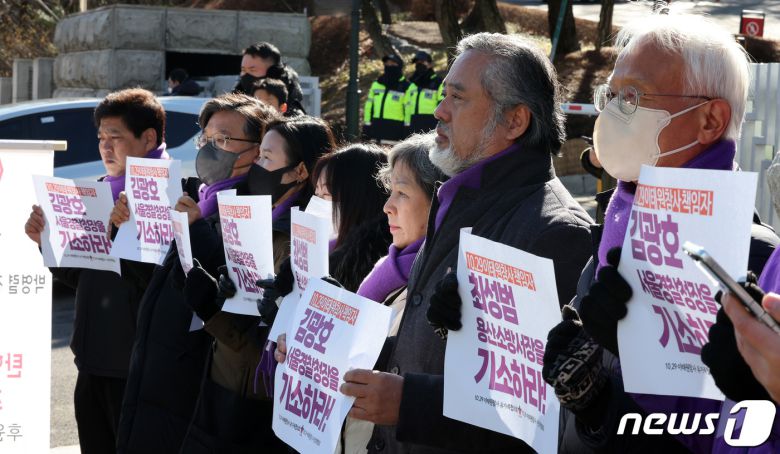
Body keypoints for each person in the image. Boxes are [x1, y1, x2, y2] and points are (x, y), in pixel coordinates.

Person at [316, 32, 593, 453]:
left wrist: (413, 402)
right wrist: (333, 352)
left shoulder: (556, 232)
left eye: (458, 98)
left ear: (514, 121)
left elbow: (539, 411)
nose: (439, 111)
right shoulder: (457, 197)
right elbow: (423, 345)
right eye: (444, 95)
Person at [540, 12, 780, 453]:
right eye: (610, 94)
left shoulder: (755, 263)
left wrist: (612, 398)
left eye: (633, 95)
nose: (611, 111)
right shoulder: (618, 224)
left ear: (709, 120)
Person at [116, 93, 278, 454]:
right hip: (154, 380)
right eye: (206, 139)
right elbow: (158, 286)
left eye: (223, 140)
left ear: (258, 150)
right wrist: (124, 234)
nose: (209, 149)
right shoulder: (196, 198)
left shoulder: (255, 218)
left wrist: (198, 229)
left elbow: (240, 300)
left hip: (193, 396)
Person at [176, 116, 336, 452]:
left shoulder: (300, 241)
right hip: (224, 382)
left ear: (299, 171)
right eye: (258, 155)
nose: (257, 166)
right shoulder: (258, 219)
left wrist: (213, 310)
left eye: (266, 157)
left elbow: (267, 342)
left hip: (253, 400)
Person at [23, 88, 166, 454]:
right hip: (91, 362)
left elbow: (162, 285)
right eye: (101, 138)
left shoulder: (170, 198)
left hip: (139, 371)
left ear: (148, 138)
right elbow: (84, 276)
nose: (105, 147)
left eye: (115, 137)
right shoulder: (99, 192)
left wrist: (124, 235)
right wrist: (46, 243)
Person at [337, 133, 447, 454]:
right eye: (390, 192)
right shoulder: (390, 268)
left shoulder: (445, 284)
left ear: (440, 203)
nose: (387, 207)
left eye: (401, 193)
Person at [234, 41, 305, 114]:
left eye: (252, 70)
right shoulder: (235, 103)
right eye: (243, 70)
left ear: (273, 73)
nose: (246, 75)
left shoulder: (294, 116)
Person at [364, 54, 411, 143]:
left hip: (395, 133)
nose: (389, 66)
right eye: (387, 64)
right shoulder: (377, 84)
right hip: (375, 132)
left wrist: (406, 130)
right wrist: (366, 127)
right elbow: (369, 107)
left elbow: (408, 111)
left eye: (393, 64)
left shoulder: (406, 86)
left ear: (399, 66)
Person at [404, 51, 444, 134]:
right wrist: (406, 124)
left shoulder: (438, 82)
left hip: (431, 124)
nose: (419, 65)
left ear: (430, 64)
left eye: (422, 62)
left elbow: (442, 104)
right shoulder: (412, 84)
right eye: (417, 63)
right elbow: (407, 105)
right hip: (413, 125)